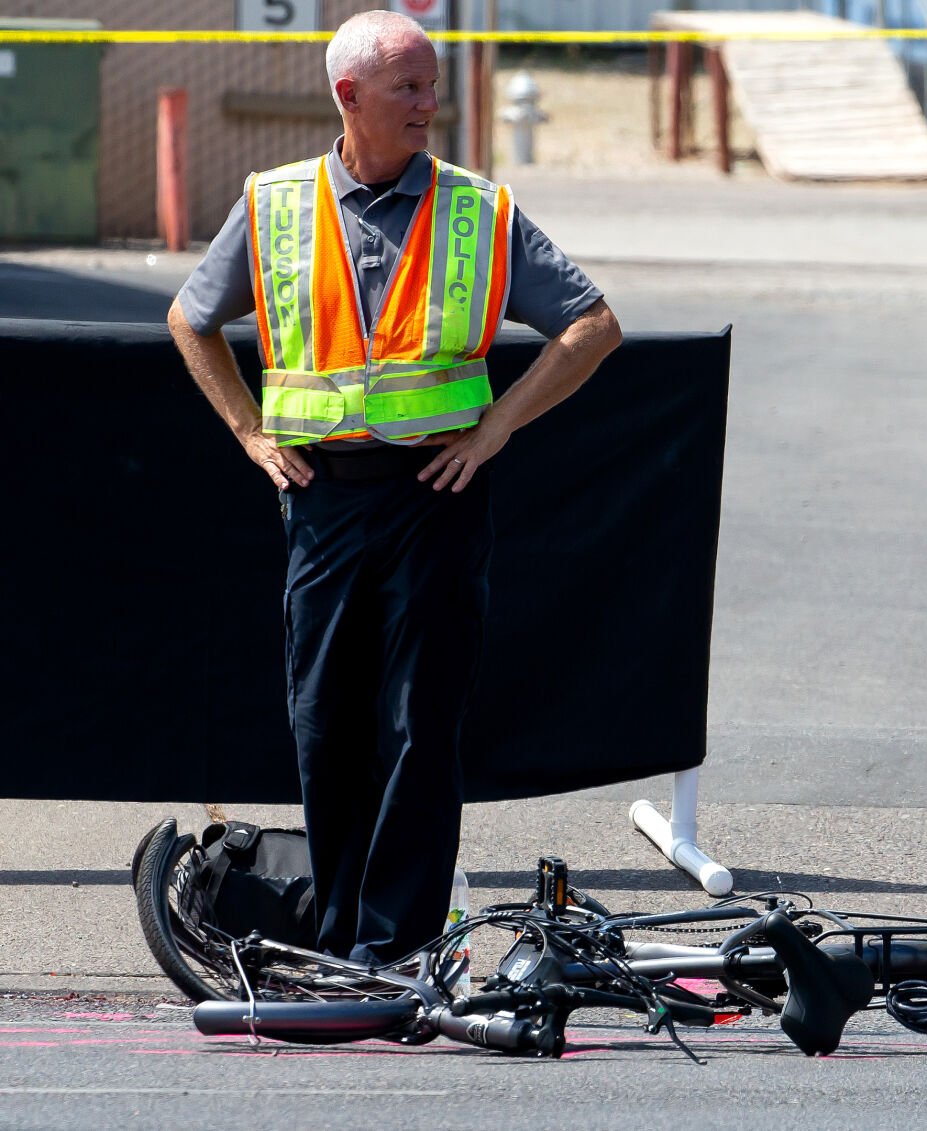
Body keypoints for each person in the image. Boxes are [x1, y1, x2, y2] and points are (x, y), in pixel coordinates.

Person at [167, 10, 621, 966]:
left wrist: (496, 425)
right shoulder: (275, 203)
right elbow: (191, 318)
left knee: (421, 721)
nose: (431, 103)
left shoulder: (476, 208)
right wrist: (250, 433)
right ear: (349, 97)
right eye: (409, 87)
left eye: (431, 84)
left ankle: (399, 944)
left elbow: (591, 325)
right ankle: (335, 938)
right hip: (323, 498)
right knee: (325, 718)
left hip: (435, 494)